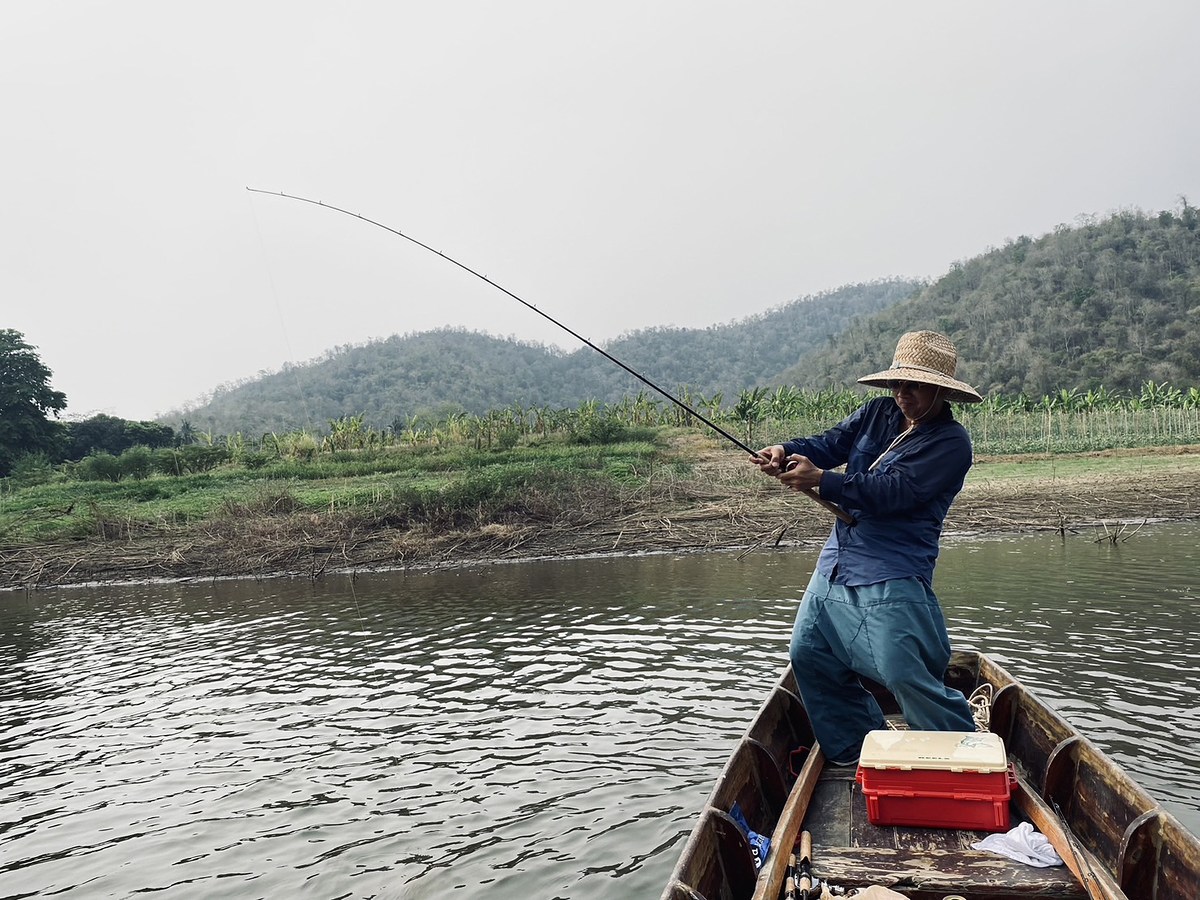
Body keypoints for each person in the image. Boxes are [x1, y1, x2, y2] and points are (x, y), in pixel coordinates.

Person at [751, 330, 983, 766]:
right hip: (838, 561)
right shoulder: (878, 412)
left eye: (913, 386)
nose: (901, 394)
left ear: (938, 389)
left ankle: (965, 755)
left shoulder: (951, 442)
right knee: (809, 653)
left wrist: (822, 480)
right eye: (898, 384)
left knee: (903, 672)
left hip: (892, 566)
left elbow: (896, 491)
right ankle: (857, 751)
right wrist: (786, 451)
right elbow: (830, 442)